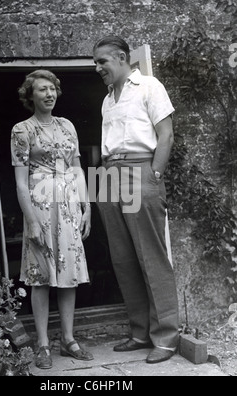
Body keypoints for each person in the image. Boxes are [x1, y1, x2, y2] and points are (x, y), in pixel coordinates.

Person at [93, 36, 180, 364]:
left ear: (121, 57)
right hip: (108, 176)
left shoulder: (148, 85)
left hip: (140, 171)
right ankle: (140, 332)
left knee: (151, 256)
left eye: (102, 61)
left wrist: (155, 174)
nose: (98, 68)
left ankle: (167, 336)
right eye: (95, 64)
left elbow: (166, 134)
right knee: (123, 258)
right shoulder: (107, 100)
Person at [11, 70, 93, 369]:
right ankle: (43, 343)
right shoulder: (23, 130)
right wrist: (31, 220)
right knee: (41, 275)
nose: (49, 94)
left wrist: (86, 207)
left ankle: (69, 340)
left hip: (69, 204)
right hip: (41, 205)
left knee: (69, 274)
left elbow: (78, 169)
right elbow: (20, 183)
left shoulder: (67, 126)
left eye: (53, 89)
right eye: (42, 90)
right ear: (30, 95)